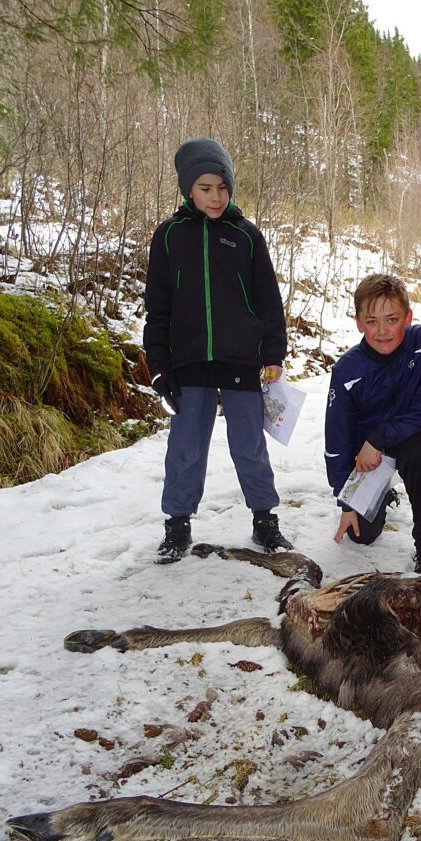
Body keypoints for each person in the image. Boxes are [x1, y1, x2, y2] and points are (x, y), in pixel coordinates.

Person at [143, 137, 292, 564]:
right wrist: (158, 364)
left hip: (243, 359)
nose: (215, 196)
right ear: (189, 189)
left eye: (222, 187)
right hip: (189, 361)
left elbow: (268, 301)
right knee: (187, 446)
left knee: (249, 445)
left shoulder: (245, 236)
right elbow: (158, 307)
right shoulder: (169, 237)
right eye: (205, 188)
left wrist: (273, 353)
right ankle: (177, 524)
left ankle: (265, 519)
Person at [324, 274, 421, 575]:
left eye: (392, 320)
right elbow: (336, 443)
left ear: (408, 317)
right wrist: (347, 502)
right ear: (358, 322)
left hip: (409, 437)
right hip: (367, 457)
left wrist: (380, 437)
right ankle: (384, 491)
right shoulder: (347, 370)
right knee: (361, 536)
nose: (382, 331)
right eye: (372, 321)